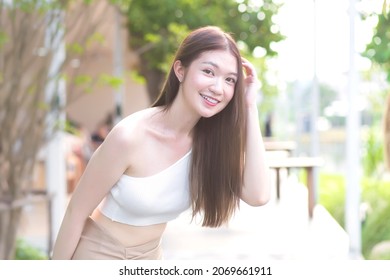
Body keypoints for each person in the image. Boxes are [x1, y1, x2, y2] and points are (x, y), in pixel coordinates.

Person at [51, 25, 271, 260]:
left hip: (152, 256)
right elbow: (76, 212)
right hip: (99, 254)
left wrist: (249, 106)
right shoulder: (129, 137)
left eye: (230, 80)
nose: (218, 88)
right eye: (208, 71)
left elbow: (257, 195)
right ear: (180, 70)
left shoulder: (211, 143)